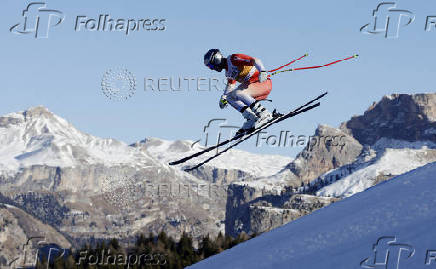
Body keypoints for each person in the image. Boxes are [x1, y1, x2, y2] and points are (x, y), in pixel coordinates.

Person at [204, 49, 274, 134]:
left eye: (211, 66)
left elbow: (255, 60)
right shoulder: (228, 72)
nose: (212, 69)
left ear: (216, 59)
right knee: (230, 97)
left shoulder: (233, 59)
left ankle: (264, 113)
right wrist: (224, 97)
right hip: (251, 87)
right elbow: (230, 85)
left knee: (238, 93)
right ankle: (251, 118)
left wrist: (262, 71)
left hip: (263, 84)